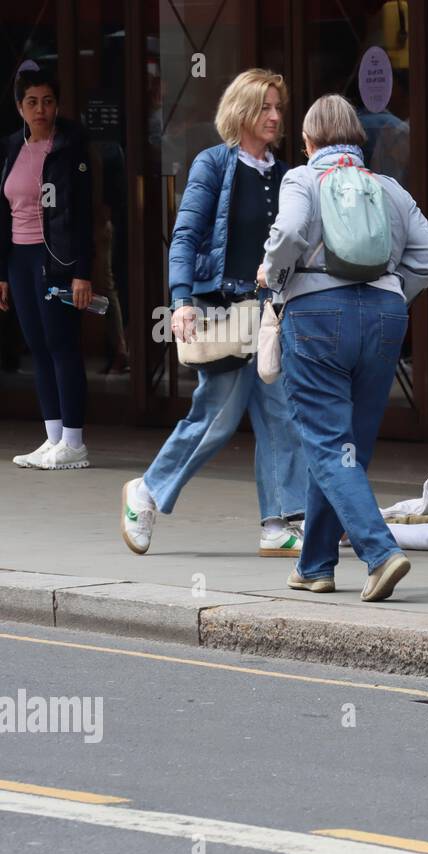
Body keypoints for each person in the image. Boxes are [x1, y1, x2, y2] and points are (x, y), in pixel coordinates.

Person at [259, 94, 428, 601]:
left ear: (307, 142)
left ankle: (380, 553)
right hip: (385, 321)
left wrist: (274, 278)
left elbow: (291, 231)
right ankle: (316, 565)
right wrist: (393, 289)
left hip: (318, 317)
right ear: (358, 139)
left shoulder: (301, 178)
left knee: (325, 443)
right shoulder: (387, 188)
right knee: (346, 448)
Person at [119, 69, 309, 558]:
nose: (274, 116)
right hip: (223, 309)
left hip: (269, 315)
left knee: (279, 415)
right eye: (265, 107)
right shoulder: (213, 165)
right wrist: (180, 300)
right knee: (217, 417)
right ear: (242, 111)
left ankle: (278, 523)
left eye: (278, 108)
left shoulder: (286, 174)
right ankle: (146, 493)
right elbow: (185, 236)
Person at [0, 68, 95, 470]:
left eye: (48, 101)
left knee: (61, 345)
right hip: (19, 258)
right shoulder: (10, 147)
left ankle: (74, 441)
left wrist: (83, 271)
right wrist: (3, 272)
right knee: (37, 347)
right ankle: (53, 436)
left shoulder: (70, 147)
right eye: (32, 102)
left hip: (55, 258)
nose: (41, 109)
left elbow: (85, 213)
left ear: (57, 105)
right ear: (20, 107)